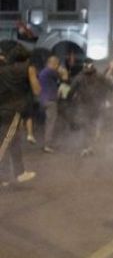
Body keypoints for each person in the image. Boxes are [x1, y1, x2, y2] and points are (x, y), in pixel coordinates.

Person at [0, 44, 41, 186]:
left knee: (14, 142)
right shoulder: (28, 68)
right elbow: (36, 90)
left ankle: (18, 173)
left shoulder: (3, 70)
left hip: (3, 109)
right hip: (13, 111)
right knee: (5, 142)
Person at [69, 58, 109, 157]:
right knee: (90, 126)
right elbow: (108, 86)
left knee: (86, 126)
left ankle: (86, 147)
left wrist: (70, 99)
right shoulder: (99, 76)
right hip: (93, 105)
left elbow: (71, 91)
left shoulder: (79, 77)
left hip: (85, 105)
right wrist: (103, 97)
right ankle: (88, 147)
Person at [38, 55, 65, 153]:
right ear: (53, 63)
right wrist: (62, 71)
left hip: (43, 100)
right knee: (50, 123)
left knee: (48, 123)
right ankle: (47, 145)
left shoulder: (43, 72)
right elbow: (64, 76)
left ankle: (47, 143)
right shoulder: (50, 71)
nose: (58, 66)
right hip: (50, 101)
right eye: (57, 64)